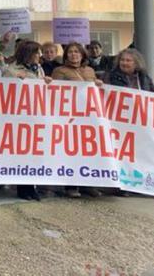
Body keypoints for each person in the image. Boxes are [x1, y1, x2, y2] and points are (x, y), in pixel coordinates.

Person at [50, 42, 103, 199]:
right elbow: (56, 92)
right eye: (70, 52)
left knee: (89, 151)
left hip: (89, 117)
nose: (74, 55)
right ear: (66, 56)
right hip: (70, 118)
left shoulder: (89, 70)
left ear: (82, 55)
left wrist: (99, 84)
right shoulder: (59, 71)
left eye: (77, 52)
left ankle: (88, 184)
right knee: (72, 151)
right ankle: (71, 185)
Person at [2, 41, 51, 201]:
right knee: (22, 153)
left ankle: (32, 186)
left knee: (34, 153)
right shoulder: (12, 71)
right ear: (28, 54)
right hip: (20, 118)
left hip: (36, 117)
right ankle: (23, 188)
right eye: (37, 53)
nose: (40, 56)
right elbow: (6, 92)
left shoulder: (39, 70)